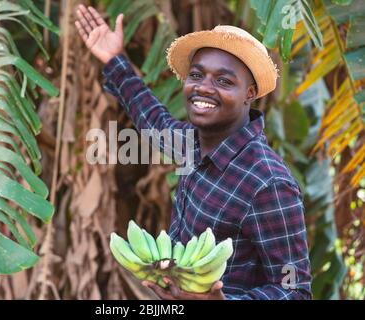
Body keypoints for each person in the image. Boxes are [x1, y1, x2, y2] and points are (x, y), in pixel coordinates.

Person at [75, 4, 312, 300]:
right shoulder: (193, 142)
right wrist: (114, 59)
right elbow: (153, 120)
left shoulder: (268, 184)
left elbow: (295, 289)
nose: (204, 88)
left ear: (249, 93)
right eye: (196, 75)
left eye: (224, 81)